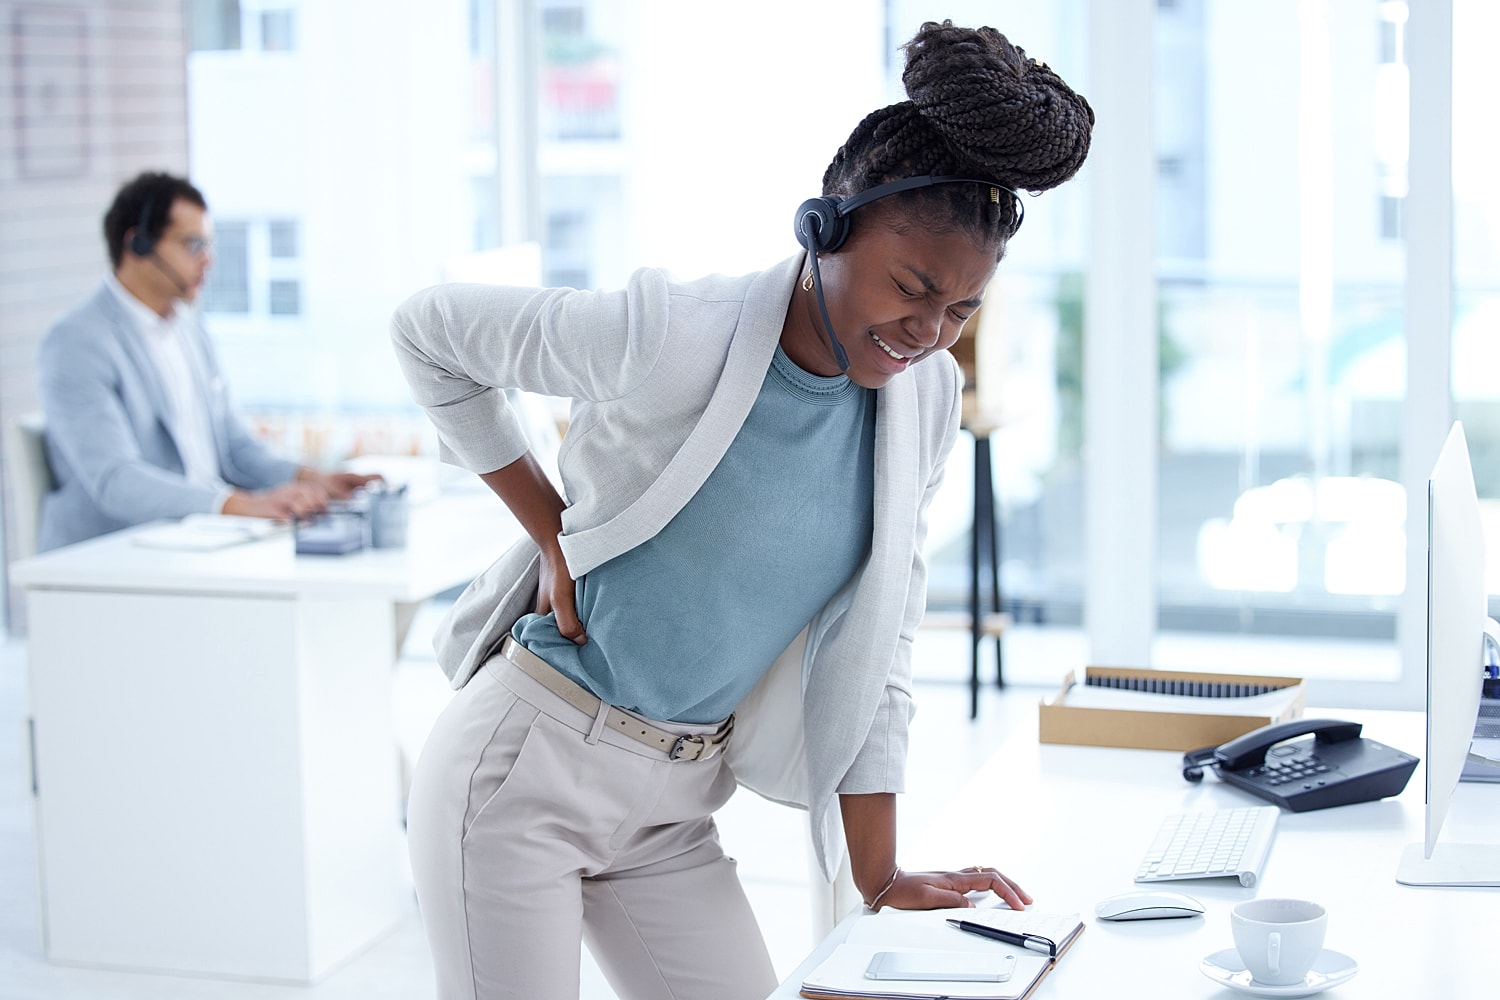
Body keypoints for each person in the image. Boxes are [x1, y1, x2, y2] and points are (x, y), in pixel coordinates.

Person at [391, 21, 1093, 1000]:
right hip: (525, 771)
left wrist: (878, 874)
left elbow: (883, 642)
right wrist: (547, 525)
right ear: (827, 227)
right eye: (913, 288)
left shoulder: (923, 404)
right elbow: (429, 335)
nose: (930, 334)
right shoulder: (678, 333)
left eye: (962, 310)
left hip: (673, 803)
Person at [35, 171, 378, 552]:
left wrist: (311, 479)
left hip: (201, 539)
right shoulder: (76, 341)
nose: (208, 261)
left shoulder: (188, 327)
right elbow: (115, 479)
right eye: (192, 245)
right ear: (139, 244)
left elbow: (234, 448)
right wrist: (238, 505)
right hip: (117, 552)